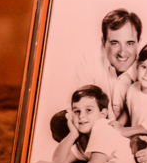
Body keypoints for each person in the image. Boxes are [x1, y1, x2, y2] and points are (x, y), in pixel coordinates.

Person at [51, 9, 141, 141]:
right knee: (59, 121)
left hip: (132, 132)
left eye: (130, 43)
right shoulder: (91, 61)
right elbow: (77, 105)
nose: (122, 52)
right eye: (115, 43)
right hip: (98, 127)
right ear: (103, 43)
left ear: (139, 42)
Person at [33, 85, 142, 163]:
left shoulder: (103, 126)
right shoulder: (84, 140)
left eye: (88, 110)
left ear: (103, 114)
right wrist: (73, 134)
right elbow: (58, 161)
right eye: (77, 111)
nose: (81, 116)